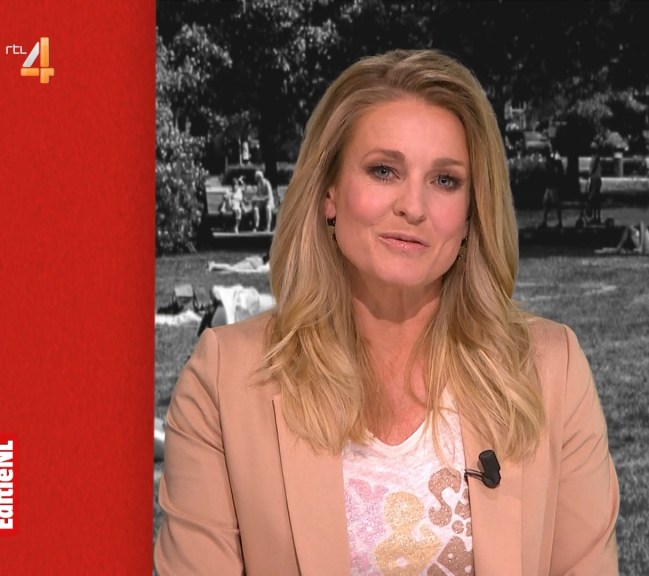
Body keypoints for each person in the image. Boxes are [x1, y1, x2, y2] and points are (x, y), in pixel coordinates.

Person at [155, 50, 619, 575]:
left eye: (445, 180)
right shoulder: (225, 381)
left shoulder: (552, 372)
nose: (413, 207)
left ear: (471, 214)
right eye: (383, 171)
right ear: (329, 192)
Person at [539, 153, 564, 228]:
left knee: (555, 203)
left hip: (552, 186)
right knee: (545, 203)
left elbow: (553, 172)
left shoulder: (551, 163)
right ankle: (545, 221)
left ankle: (559, 222)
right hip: (549, 186)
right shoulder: (550, 162)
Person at [584, 148, 603, 223]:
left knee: (595, 199)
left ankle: (598, 217)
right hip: (593, 179)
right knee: (594, 199)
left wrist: (590, 173)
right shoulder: (593, 157)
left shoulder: (597, 157)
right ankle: (595, 217)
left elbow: (594, 167)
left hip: (596, 179)